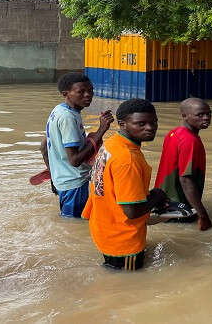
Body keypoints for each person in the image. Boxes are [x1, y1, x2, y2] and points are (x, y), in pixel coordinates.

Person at [82, 99, 169, 271]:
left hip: (104, 227)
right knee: (128, 288)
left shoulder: (111, 144)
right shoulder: (127, 159)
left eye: (153, 122)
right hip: (123, 242)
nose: (150, 128)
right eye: (141, 124)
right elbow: (131, 211)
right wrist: (157, 196)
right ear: (122, 124)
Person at [40, 73, 113, 217]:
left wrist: (53, 175)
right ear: (66, 94)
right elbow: (75, 161)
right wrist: (101, 130)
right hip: (76, 184)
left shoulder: (58, 110)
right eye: (81, 92)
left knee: (69, 223)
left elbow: (44, 145)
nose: (88, 95)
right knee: (75, 227)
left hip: (63, 181)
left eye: (91, 91)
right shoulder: (68, 118)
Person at [154, 97, 212, 231]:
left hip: (164, 203)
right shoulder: (190, 141)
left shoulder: (173, 133)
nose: (206, 118)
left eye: (208, 114)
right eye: (200, 115)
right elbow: (186, 179)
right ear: (184, 116)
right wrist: (203, 215)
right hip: (179, 208)